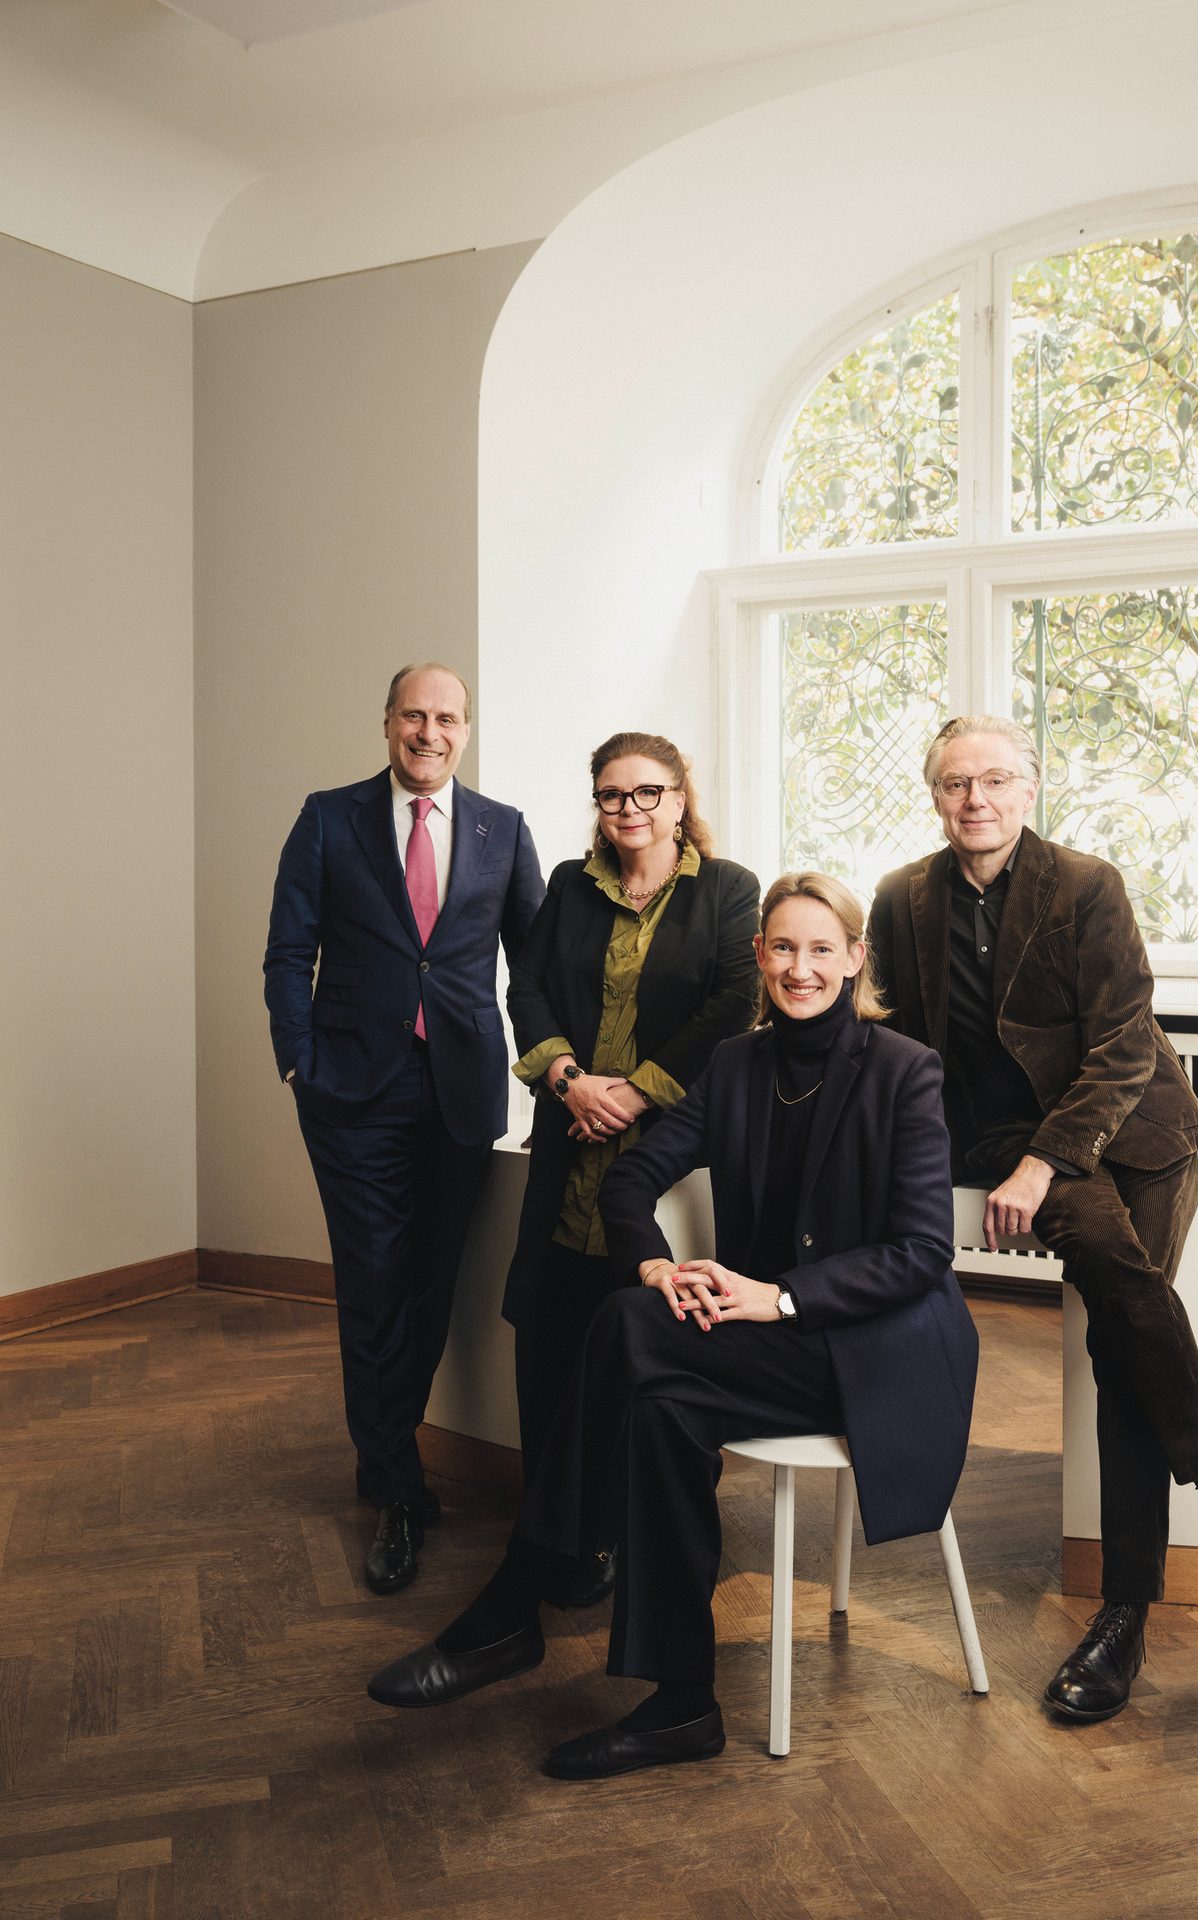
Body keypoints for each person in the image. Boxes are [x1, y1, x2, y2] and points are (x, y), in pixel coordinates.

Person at [367, 872, 980, 1780]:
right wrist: (658, 1265)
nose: (799, 968)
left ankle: (515, 1601)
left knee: (624, 1326)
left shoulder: (906, 1071)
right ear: (760, 957)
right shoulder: (736, 1064)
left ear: (856, 960)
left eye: (821, 950)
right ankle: (681, 1706)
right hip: (764, 1341)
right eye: (781, 947)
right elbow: (629, 1179)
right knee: (660, 1412)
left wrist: (776, 1298)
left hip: (872, 1353)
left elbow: (925, 1252)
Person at [868, 714, 1198, 1723]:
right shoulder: (899, 899)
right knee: (1125, 1323)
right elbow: (900, 1044)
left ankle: (1125, 1620)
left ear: (1031, 788)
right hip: (998, 1138)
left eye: (997, 780)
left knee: (1119, 1347)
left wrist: (1047, 1160)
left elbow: (1122, 1046)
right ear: (934, 795)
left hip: (1133, 1133)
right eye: (957, 783)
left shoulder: (1085, 884)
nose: (978, 799)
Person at [264, 663, 543, 1596]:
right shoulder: (328, 816)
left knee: (429, 1283)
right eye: (414, 715)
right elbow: (287, 948)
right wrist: (299, 1058)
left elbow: (534, 967)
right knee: (373, 1281)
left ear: (466, 728)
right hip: (351, 1091)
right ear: (388, 722)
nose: (431, 731)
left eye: (448, 717)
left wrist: (556, 1068)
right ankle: (394, 1486)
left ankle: (383, 1448)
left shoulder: (502, 830)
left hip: (460, 1092)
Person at [501, 732, 759, 1603]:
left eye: (648, 794)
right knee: (547, 1328)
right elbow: (524, 988)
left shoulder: (728, 891)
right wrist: (572, 1082)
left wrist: (635, 1096)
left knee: (647, 1335)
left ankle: (629, 1527)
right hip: (565, 1136)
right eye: (613, 797)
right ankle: (556, 1532)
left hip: (666, 1153)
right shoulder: (571, 888)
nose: (630, 812)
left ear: (681, 799)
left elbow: (733, 1004)